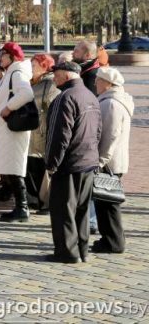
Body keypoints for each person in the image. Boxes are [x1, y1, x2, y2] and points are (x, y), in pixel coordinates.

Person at [44, 60, 101, 263]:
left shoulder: (64, 98)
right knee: (82, 209)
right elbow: (97, 131)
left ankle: (67, 252)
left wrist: (51, 164)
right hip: (88, 161)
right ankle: (82, 250)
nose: (54, 78)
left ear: (67, 75)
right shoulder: (90, 96)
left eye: (56, 74)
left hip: (69, 163)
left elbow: (58, 136)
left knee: (63, 209)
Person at [0, 42, 35, 222]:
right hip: (5, 129)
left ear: (12, 56)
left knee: (14, 167)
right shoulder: (10, 72)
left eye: (3, 54)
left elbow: (26, 93)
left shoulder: (17, 72)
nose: (0, 57)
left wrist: (8, 108)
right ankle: (19, 206)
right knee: (9, 167)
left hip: (12, 130)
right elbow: (5, 96)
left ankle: (22, 207)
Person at [92, 67, 132, 254]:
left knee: (108, 204)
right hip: (114, 160)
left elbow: (110, 135)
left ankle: (113, 242)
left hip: (109, 162)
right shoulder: (115, 100)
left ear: (108, 84)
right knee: (106, 203)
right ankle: (111, 239)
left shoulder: (111, 104)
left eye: (98, 80)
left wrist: (100, 161)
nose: (95, 83)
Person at [26, 53, 60, 213]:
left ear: (44, 67)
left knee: (40, 167)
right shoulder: (32, 83)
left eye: (34, 66)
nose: (30, 69)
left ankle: (44, 201)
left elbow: (52, 109)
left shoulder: (49, 85)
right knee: (30, 165)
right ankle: (33, 199)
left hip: (40, 131)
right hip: (30, 131)